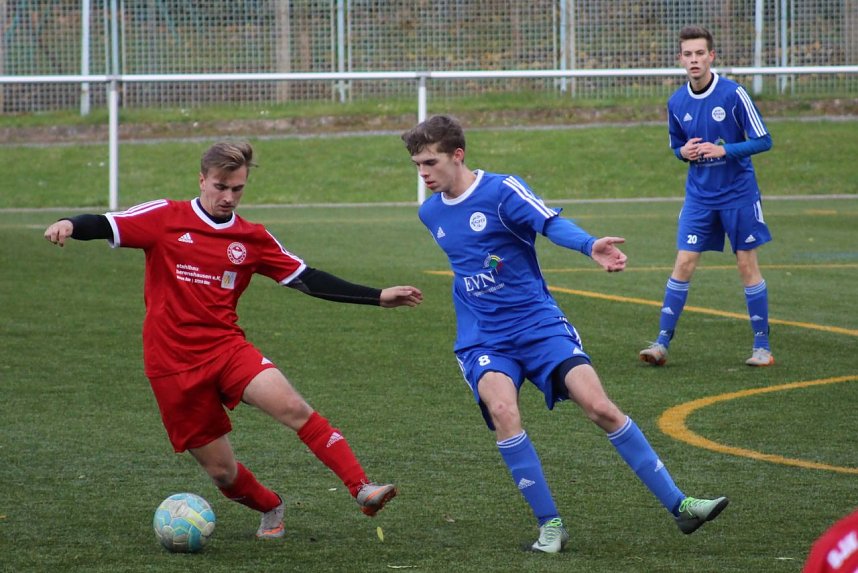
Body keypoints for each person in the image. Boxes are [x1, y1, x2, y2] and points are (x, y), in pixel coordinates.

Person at [43, 141, 423, 539]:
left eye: (237, 188)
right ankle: (270, 505)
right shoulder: (166, 217)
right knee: (222, 473)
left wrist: (377, 296)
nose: (228, 197)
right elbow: (106, 223)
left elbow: (306, 278)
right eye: (221, 187)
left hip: (226, 349)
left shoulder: (251, 238)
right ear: (202, 180)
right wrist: (70, 224)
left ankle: (361, 488)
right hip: (170, 364)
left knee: (293, 407)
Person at [401, 114, 728, 553]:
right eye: (417, 165)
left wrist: (589, 244)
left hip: (539, 327)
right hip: (483, 338)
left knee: (600, 407)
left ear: (457, 155)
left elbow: (549, 223)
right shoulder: (430, 213)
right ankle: (550, 525)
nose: (423, 174)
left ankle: (681, 504)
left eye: (430, 163)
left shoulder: (502, 191)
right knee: (503, 410)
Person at [639, 25, 775, 368]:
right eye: (688, 54)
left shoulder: (733, 94)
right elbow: (676, 146)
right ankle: (661, 343)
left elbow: (764, 140)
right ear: (680, 59)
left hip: (738, 194)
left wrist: (725, 150)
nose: (694, 59)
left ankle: (762, 347)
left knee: (746, 264)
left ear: (711, 56)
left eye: (700, 53)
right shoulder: (676, 102)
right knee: (683, 262)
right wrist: (683, 152)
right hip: (699, 197)